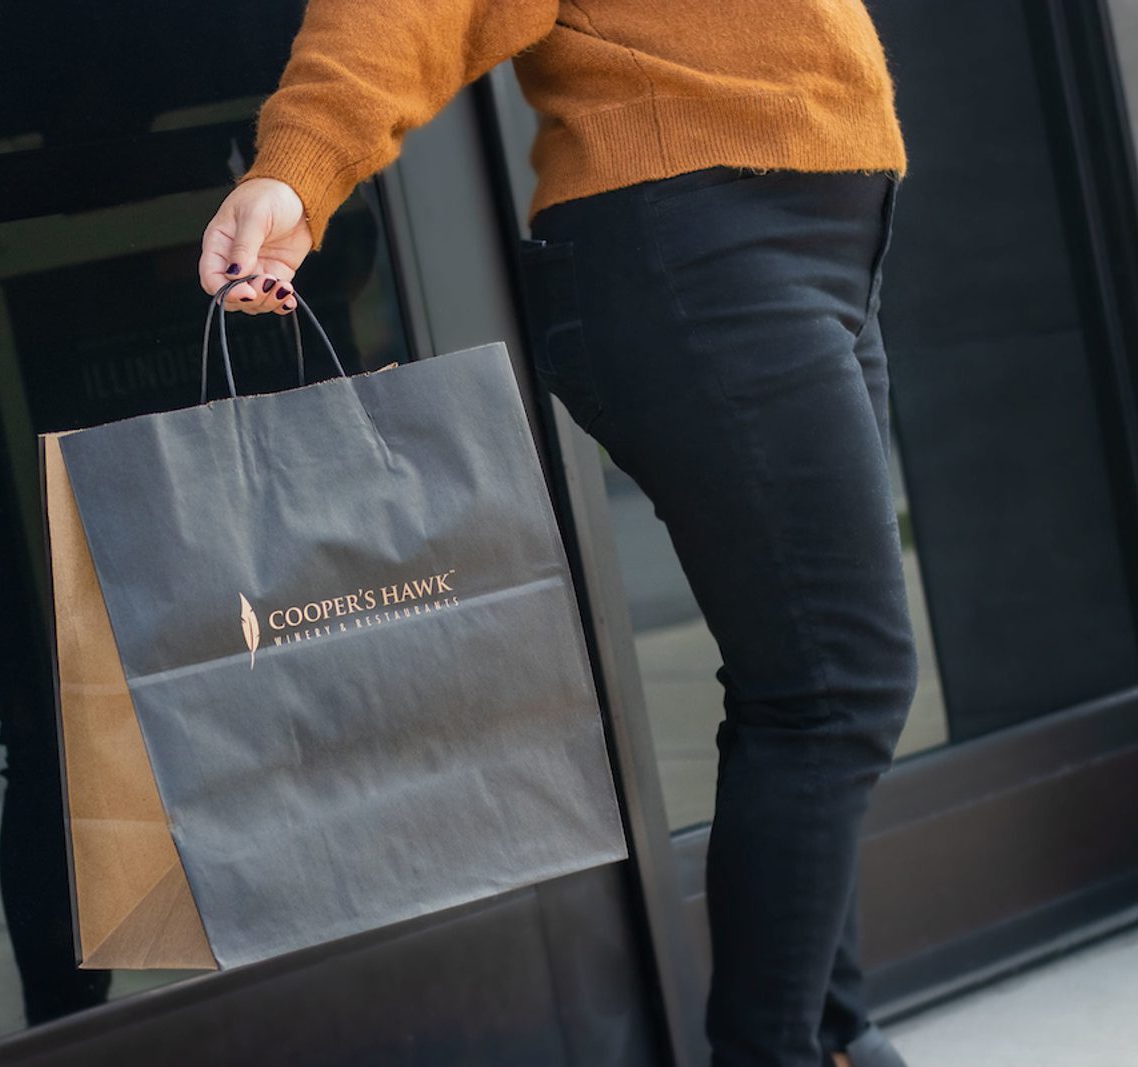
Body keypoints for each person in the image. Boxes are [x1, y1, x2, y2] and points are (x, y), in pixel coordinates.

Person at [197, 4, 916, 1067]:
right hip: (700, 246)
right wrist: (298, 167)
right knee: (839, 679)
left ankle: (829, 1029)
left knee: (807, 684)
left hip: (816, 244)